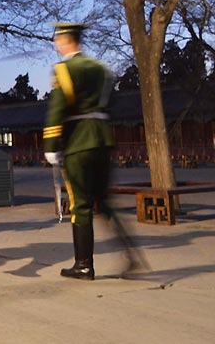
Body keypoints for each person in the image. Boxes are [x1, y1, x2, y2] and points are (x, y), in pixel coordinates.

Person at [44, 22, 145, 280]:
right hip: (102, 139)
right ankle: (132, 255)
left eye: (58, 39)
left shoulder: (65, 69)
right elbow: (112, 102)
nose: (57, 44)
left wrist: (51, 145)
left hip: (79, 143)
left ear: (66, 40)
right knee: (105, 202)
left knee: (81, 204)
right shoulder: (101, 69)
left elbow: (58, 108)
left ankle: (84, 265)